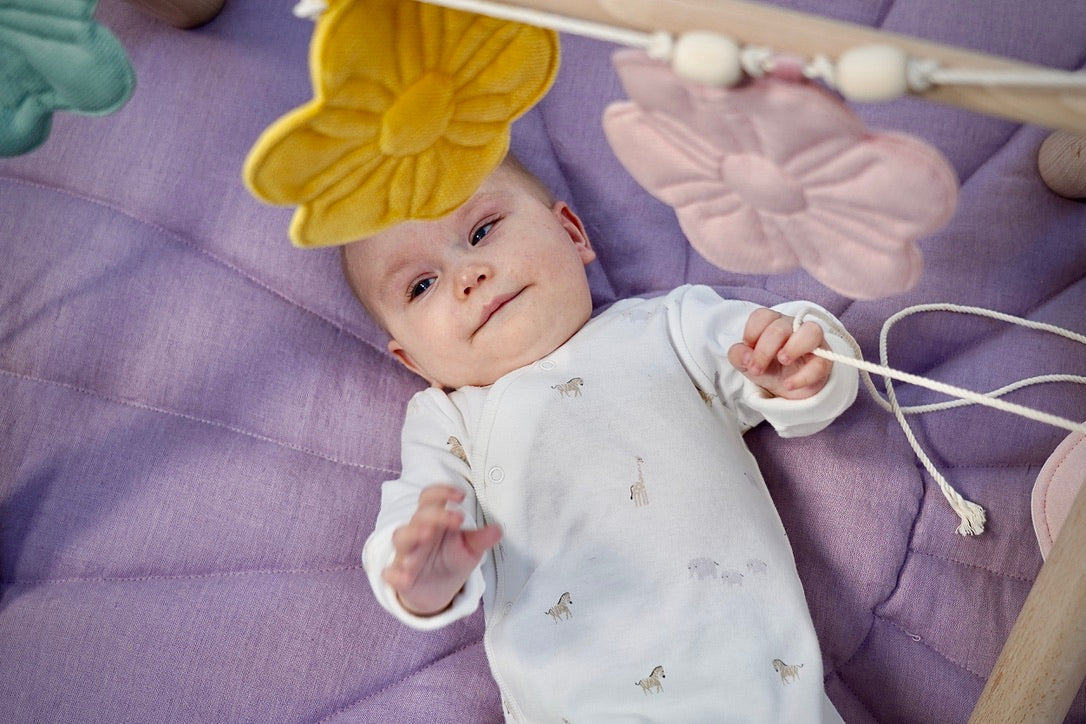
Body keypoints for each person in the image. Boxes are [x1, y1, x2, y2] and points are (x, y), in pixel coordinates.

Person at [347, 154, 858, 722]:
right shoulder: (449, 419)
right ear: (413, 360)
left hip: (762, 693)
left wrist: (799, 365)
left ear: (571, 232)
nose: (468, 276)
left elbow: (781, 350)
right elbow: (412, 514)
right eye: (421, 285)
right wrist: (421, 571)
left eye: (482, 231)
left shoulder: (669, 328)